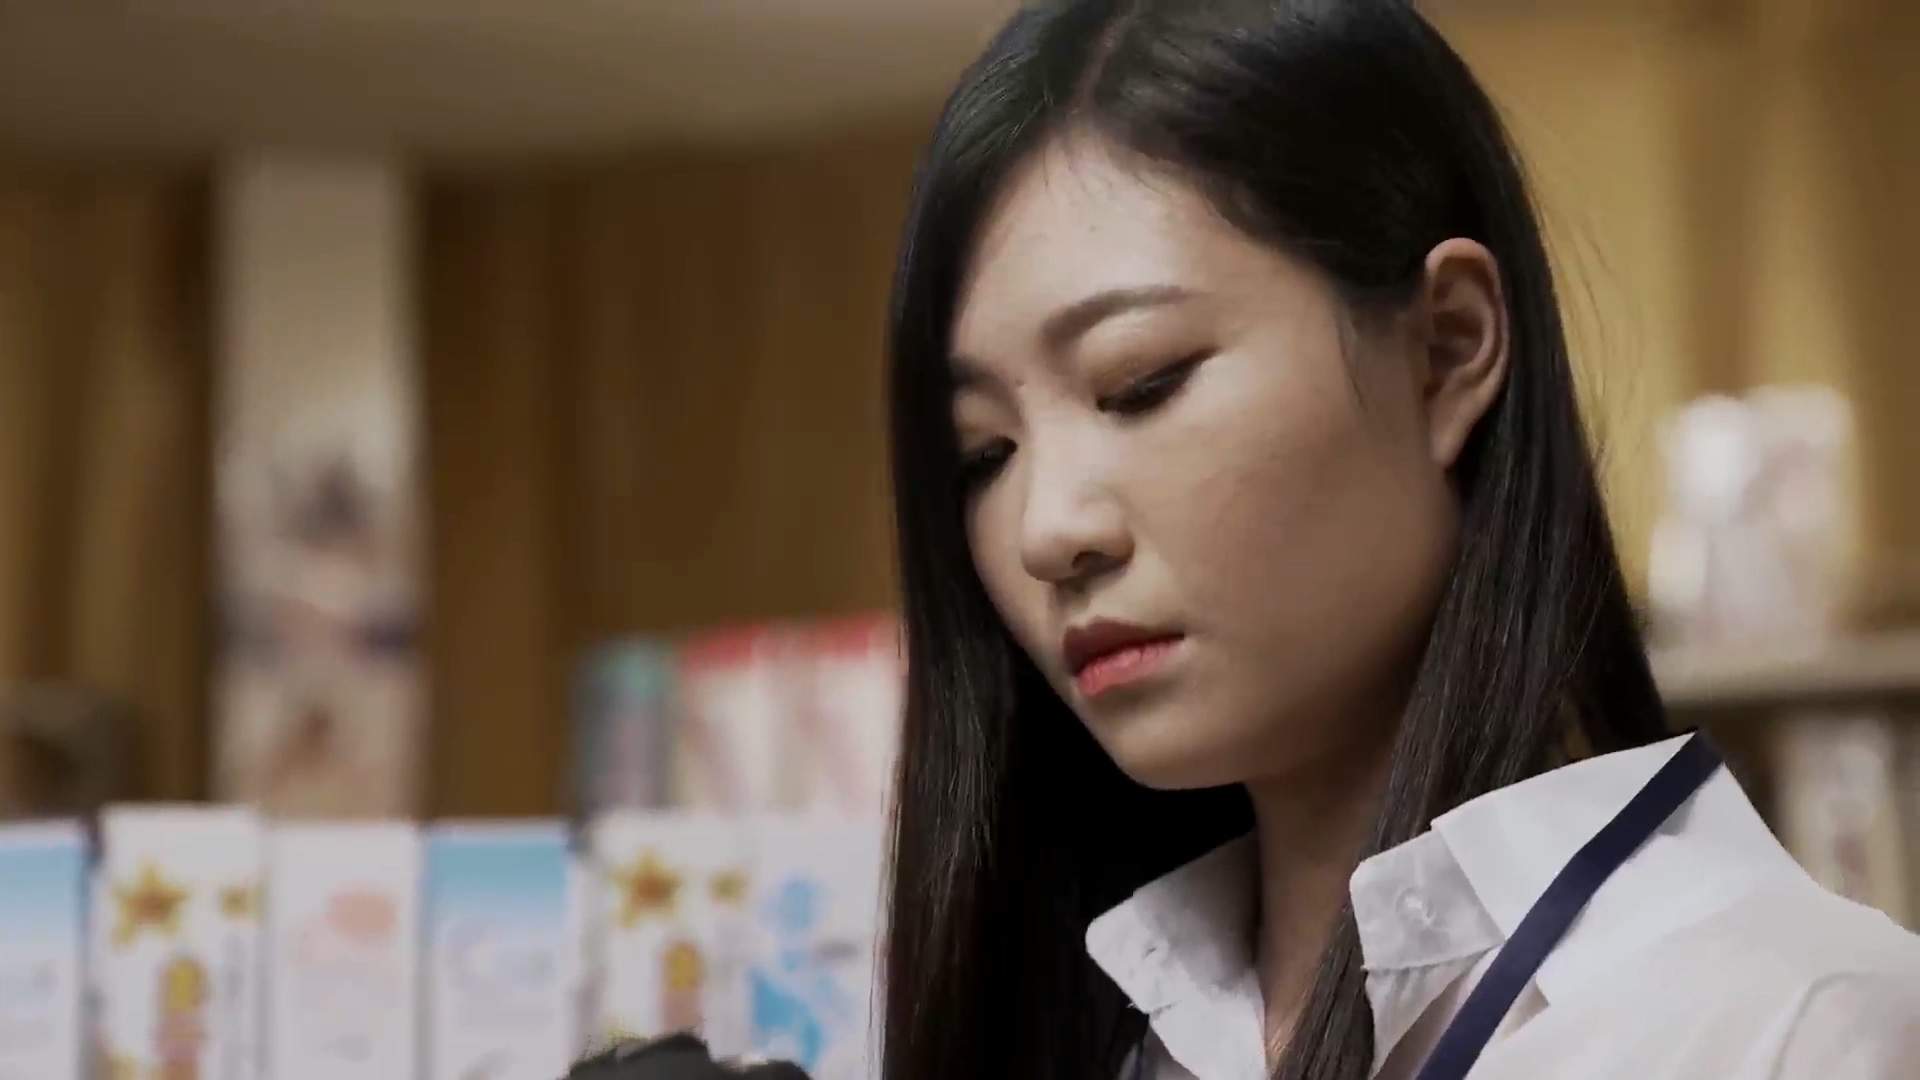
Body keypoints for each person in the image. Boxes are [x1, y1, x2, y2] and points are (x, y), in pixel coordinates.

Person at [879, 2, 1920, 1079]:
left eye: (1142, 381)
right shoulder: (1118, 1036)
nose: (1048, 530)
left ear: (1447, 349)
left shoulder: (1792, 1027)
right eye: (982, 455)